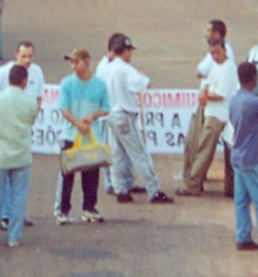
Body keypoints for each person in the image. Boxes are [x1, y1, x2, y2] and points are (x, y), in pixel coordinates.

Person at [99, 34, 171, 204]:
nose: (130, 54)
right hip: (125, 115)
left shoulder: (106, 68)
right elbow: (144, 84)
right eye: (129, 50)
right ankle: (154, 191)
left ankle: (120, 190)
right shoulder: (126, 69)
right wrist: (143, 76)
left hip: (111, 115)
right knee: (140, 154)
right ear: (124, 50)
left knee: (117, 155)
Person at [0, 65, 39, 249]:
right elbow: (31, 119)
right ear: (24, 81)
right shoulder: (30, 102)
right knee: (19, 196)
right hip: (21, 154)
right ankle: (14, 237)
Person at [54, 50, 110, 225]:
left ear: (87, 61)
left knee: (91, 174)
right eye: (72, 63)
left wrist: (93, 116)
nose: (73, 66)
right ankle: (62, 210)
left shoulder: (100, 85)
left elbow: (106, 108)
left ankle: (89, 208)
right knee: (67, 174)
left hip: (92, 136)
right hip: (70, 135)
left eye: (76, 62)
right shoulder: (67, 83)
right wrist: (78, 123)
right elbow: (64, 109)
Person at [228, 61, 258, 253]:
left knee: (241, 200)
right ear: (254, 78)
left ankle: (243, 236)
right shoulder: (256, 102)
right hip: (253, 157)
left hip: (237, 155)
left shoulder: (234, 100)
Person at [178, 40, 234, 197]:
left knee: (204, 150)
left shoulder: (229, 69)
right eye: (212, 53)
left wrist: (206, 96)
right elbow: (208, 83)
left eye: (218, 52)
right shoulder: (216, 66)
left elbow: (221, 94)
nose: (215, 56)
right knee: (194, 144)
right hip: (208, 110)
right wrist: (204, 92)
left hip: (218, 115)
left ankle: (193, 185)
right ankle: (192, 180)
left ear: (225, 51)